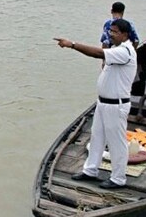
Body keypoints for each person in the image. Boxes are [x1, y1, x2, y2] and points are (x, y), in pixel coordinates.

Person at [54, 18, 137, 189]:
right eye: (110, 31)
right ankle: (90, 170)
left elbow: (98, 53)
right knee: (97, 136)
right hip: (103, 103)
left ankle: (118, 178)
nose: (110, 34)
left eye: (114, 32)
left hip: (116, 105)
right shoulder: (117, 49)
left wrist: (72, 44)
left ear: (125, 34)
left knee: (116, 142)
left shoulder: (125, 51)